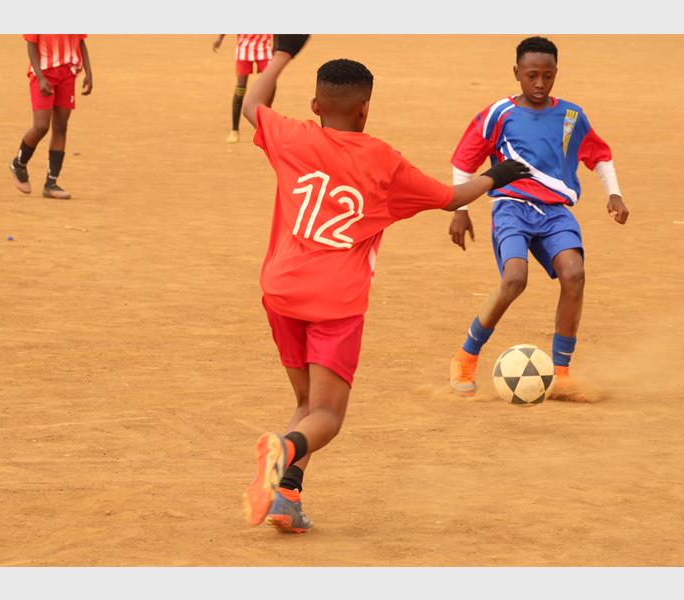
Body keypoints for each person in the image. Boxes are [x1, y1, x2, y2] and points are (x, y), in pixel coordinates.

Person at [240, 35, 532, 533]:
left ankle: (286, 496)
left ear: (315, 106)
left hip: (281, 291)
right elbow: (450, 198)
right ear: (365, 110)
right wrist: (496, 175)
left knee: (307, 403)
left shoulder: (292, 137)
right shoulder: (382, 161)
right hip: (335, 303)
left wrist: (282, 54)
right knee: (327, 416)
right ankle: (284, 450)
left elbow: (253, 103)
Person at [447, 36, 629, 401]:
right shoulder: (498, 114)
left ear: (556, 73)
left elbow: (599, 155)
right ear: (516, 72)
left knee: (574, 274)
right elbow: (464, 161)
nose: (540, 83)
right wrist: (460, 210)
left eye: (548, 76)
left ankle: (561, 374)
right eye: (532, 75)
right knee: (515, 279)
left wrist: (614, 193)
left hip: (555, 213)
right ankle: (466, 355)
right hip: (511, 208)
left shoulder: (571, 116)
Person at [9, 34, 93, 200]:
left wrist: (89, 73)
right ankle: (19, 163)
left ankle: (51, 183)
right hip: (44, 72)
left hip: (67, 72)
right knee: (41, 126)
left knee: (61, 127)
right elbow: (31, 44)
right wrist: (40, 77)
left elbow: (81, 41)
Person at [212, 33, 274, 143]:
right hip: (244, 49)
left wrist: (277, 48)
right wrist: (219, 39)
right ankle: (234, 130)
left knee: (269, 86)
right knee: (240, 87)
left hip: (264, 48)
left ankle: (264, 125)